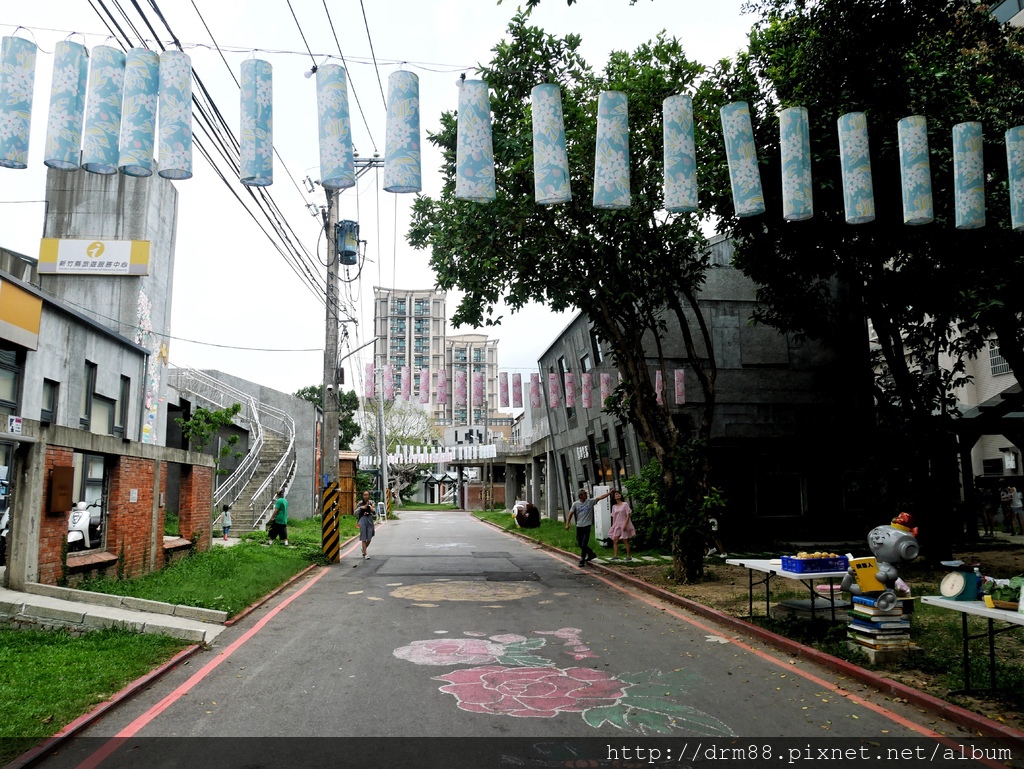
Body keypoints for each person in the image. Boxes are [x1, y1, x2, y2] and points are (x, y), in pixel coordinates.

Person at [564, 487, 613, 567]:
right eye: (584, 494)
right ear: (580, 496)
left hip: (587, 525)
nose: (586, 495)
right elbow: (571, 513)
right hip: (579, 526)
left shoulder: (590, 502)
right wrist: (567, 523)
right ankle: (591, 554)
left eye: (586, 494)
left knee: (584, 543)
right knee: (580, 543)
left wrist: (609, 493)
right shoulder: (575, 504)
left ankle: (582, 559)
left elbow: (600, 498)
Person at [607, 489, 636, 561]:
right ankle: (615, 556)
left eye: (619, 494)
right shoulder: (614, 506)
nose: (618, 495)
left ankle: (628, 556)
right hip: (617, 524)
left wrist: (625, 524)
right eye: (616, 494)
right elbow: (614, 517)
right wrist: (613, 526)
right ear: (614, 497)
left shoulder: (625, 504)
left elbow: (628, 514)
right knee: (615, 540)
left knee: (625, 540)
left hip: (624, 523)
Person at [355, 490, 376, 559]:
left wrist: (372, 510)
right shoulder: (360, 503)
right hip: (362, 519)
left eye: (367, 494)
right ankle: (365, 554)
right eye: (364, 495)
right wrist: (361, 508)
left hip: (369, 519)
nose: (366, 496)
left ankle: (363, 549)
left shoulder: (372, 502)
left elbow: (374, 512)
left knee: (369, 538)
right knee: (363, 537)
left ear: (369, 495)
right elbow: (355, 512)